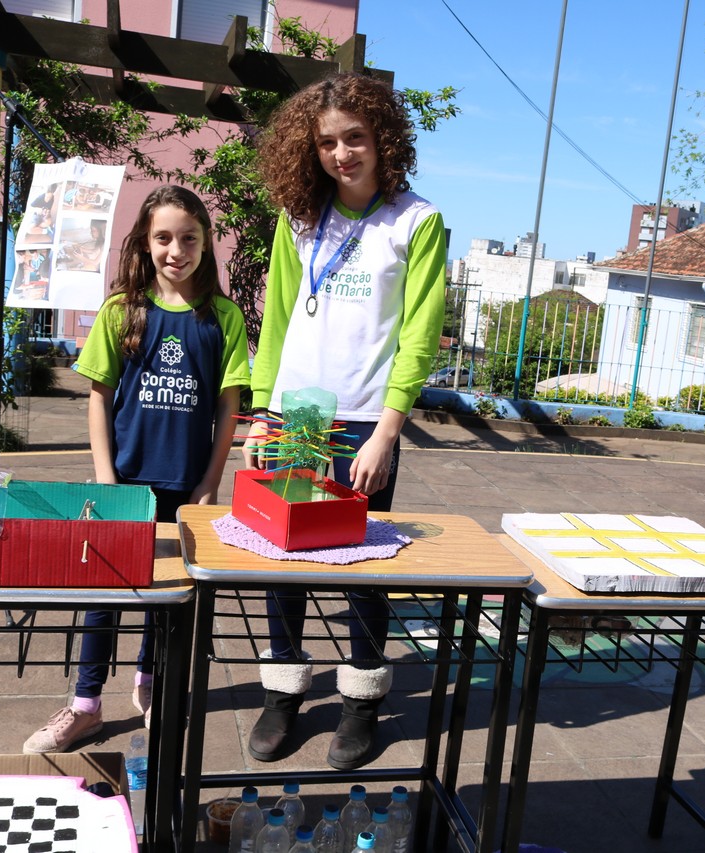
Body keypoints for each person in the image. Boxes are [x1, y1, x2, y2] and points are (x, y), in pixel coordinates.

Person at [241, 72, 446, 770]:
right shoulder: (299, 218)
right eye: (327, 142)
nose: (341, 154)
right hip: (299, 411)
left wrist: (388, 431)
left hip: (365, 418)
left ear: (382, 138)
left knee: (362, 563)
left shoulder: (416, 222)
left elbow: (419, 334)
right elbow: (276, 321)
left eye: (354, 137)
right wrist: (264, 413)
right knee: (286, 555)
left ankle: (361, 700)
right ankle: (284, 690)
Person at [24, 185, 250, 753]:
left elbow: (229, 408)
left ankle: (150, 684)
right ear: (145, 243)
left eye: (189, 238)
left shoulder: (223, 317)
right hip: (123, 482)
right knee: (103, 594)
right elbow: (99, 397)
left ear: (206, 242)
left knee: (166, 596)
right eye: (163, 238)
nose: (177, 250)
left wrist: (210, 482)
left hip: (185, 486)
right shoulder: (121, 310)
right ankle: (85, 705)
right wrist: (106, 477)